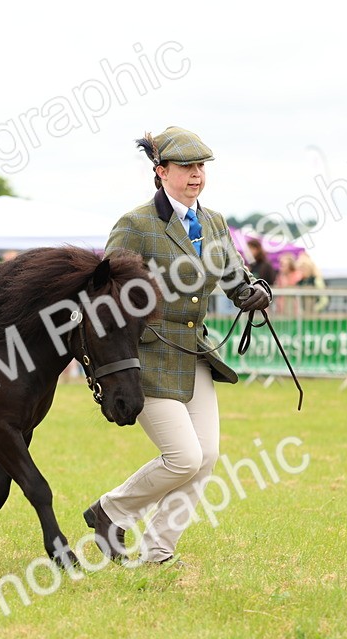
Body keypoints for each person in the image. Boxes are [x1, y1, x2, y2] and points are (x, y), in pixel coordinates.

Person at [86, 125, 270, 567]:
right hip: (145, 355)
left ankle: (157, 550)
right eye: (186, 167)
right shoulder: (135, 225)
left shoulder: (214, 223)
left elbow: (235, 279)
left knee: (205, 457)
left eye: (201, 167)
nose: (196, 175)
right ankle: (111, 511)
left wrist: (254, 292)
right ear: (160, 171)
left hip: (194, 353)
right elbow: (104, 293)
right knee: (183, 456)